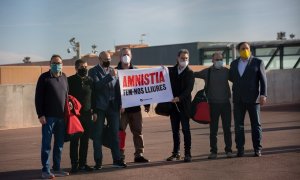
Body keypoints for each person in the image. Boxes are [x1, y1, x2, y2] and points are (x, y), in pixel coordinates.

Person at [88, 51, 127, 169]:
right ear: (99, 59)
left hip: (113, 107)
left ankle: (117, 159)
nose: (108, 61)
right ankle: (98, 162)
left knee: (115, 135)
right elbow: (96, 86)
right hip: (100, 108)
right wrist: (109, 76)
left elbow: (118, 89)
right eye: (105, 59)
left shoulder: (113, 70)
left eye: (109, 59)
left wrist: (121, 104)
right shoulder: (93, 71)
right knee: (98, 135)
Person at [229, 42, 267, 157]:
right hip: (238, 99)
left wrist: (263, 95)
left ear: (250, 50)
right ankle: (240, 149)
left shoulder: (258, 62)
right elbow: (232, 78)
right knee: (238, 126)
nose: (245, 50)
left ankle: (257, 149)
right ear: (238, 50)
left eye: (247, 48)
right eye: (242, 48)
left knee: (256, 125)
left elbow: (263, 80)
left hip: (253, 99)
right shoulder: (234, 63)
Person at [35, 54, 69, 179]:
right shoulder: (44, 78)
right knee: (46, 144)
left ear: (62, 64)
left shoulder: (64, 77)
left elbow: (66, 96)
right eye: (54, 63)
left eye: (59, 63)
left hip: (61, 117)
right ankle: (45, 170)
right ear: (50, 64)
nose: (57, 65)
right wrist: (40, 114)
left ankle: (57, 168)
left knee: (59, 144)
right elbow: (38, 98)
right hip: (48, 117)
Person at [194, 52, 232, 159]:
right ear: (212, 60)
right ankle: (213, 152)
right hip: (213, 105)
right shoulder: (207, 71)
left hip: (226, 104)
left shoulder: (226, 71)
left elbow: (238, 79)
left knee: (227, 129)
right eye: (217, 59)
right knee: (213, 130)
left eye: (221, 59)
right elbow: (193, 74)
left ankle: (228, 150)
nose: (219, 61)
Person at [116, 48, 150, 163]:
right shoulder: (115, 72)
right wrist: (119, 104)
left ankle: (139, 154)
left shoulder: (137, 71)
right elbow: (112, 91)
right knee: (120, 133)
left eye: (127, 54)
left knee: (138, 132)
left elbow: (143, 89)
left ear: (131, 56)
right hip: (121, 110)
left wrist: (147, 104)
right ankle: (120, 156)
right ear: (119, 57)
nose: (126, 56)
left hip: (135, 109)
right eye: (123, 54)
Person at [167, 49, 195, 162]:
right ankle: (176, 153)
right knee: (175, 130)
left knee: (186, 130)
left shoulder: (190, 72)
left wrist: (179, 98)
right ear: (177, 58)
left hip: (184, 106)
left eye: (186, 58)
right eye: (182, 58)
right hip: (173, 106)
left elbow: (189, 89)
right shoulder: (171, 71)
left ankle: (187, 153)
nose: (184, 60)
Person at [68, 59, 94, 173]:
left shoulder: (90, 80)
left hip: (87, 114)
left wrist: (94, 112)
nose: (84, 69)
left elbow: (93, 97)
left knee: (85, 141)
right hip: (75, 116)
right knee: (74, 141)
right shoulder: (70, 80)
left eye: (86, 66)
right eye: (82, 67)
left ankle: (83, 164)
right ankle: (74, 164)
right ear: (76, 68)